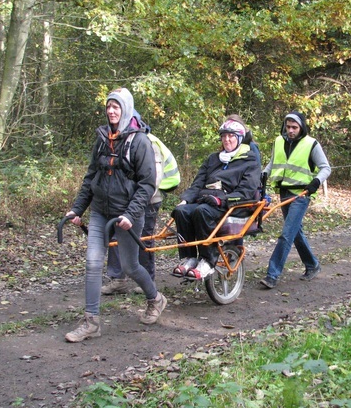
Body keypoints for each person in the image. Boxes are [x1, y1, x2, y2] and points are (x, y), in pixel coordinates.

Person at [64, 88, 166, 342]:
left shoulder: (139, 141)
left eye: (116, 107)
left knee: (131, 266)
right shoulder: (101, 138)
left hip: (127, 214)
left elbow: (147, 184)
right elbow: (91, 177)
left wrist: (131, 213)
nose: (111, 111)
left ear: (126, 110)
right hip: (100, 211)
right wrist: (78, 208)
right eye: (109, 106)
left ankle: (155, 298)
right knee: (93, 263)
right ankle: (91, 322)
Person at [101, 113, 180, 295]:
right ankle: (118, 279)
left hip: (149, 198)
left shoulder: (147, 142)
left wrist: (139, 204)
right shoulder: (116, 141)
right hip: (125, 199)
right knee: (116, 235)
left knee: (143, 238)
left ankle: (147, 279)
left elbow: (154, 177)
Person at [171, 119, 261, 280]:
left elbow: (247, 190)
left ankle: (208, 260)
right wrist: (185, 199)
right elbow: (197, 183)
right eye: (224, 136)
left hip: (231, 205)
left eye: (231, 136)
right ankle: (190, 257)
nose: (227, 140)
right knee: (181, 211)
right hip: (206, 201)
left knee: (201, 211)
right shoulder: (213, 159)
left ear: (239, 138)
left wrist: (223, 200)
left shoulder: (250, 160)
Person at [259, 111, 331, 289]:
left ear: (301, 128)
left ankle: (272, 274)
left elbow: (325, 168)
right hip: (284, 192)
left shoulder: (311, 144)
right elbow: (273, 163)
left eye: (294, 127)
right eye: (288, 127)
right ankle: (312, 265)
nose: (290, 130)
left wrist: (316, 182)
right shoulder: (278, 141)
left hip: (301, 194)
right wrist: (262, 174)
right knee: (295, 232)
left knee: (286, 234)